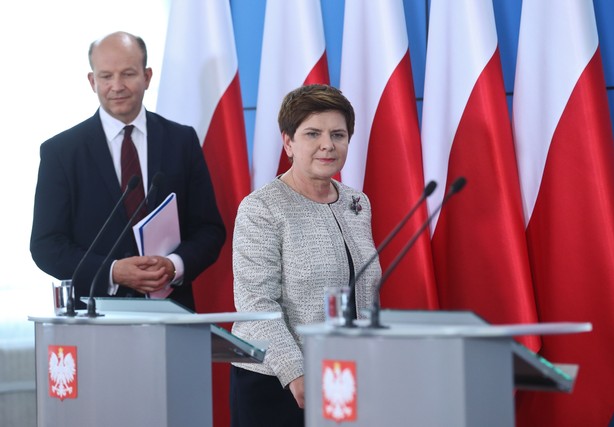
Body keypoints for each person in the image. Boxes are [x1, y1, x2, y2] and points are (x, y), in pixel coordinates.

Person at [30, 31, 225, 312]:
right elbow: (46, 245)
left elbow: (209, 230)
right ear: (92, 81)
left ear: (147, 76)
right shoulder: (61, 151)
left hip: (172, 311)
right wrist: (113, 271)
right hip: (93, 314)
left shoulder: (181, 141)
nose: (117, 86)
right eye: (106, 76)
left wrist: (174, 265)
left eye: (128, 74)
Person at [230, 84, 381, 426]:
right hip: (275, 384)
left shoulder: (357, 203)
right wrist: (295, 372)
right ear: (288, 142)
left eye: (338, 134)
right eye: (313, 133)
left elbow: (365, 293)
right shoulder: (262, 207)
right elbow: (255, 304)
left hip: (344, 375)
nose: (328, 144)